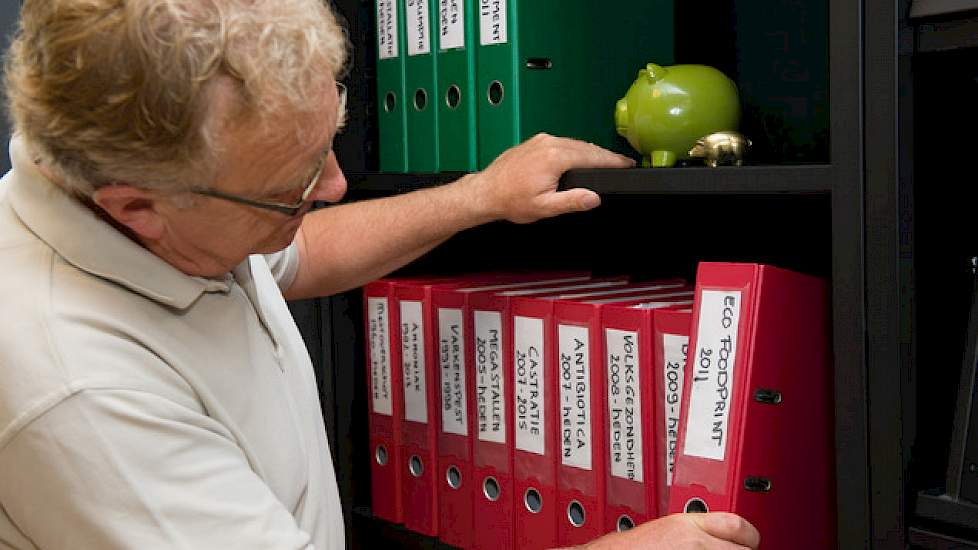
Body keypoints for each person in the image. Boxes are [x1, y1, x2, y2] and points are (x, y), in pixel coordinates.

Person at [0, 1, 759, 549]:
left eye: (328, 139)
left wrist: (479, 196)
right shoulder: (78, 394)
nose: (333, 184)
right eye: (294, 181)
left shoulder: (164, 216)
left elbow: (299, 254)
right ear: (138, 207)